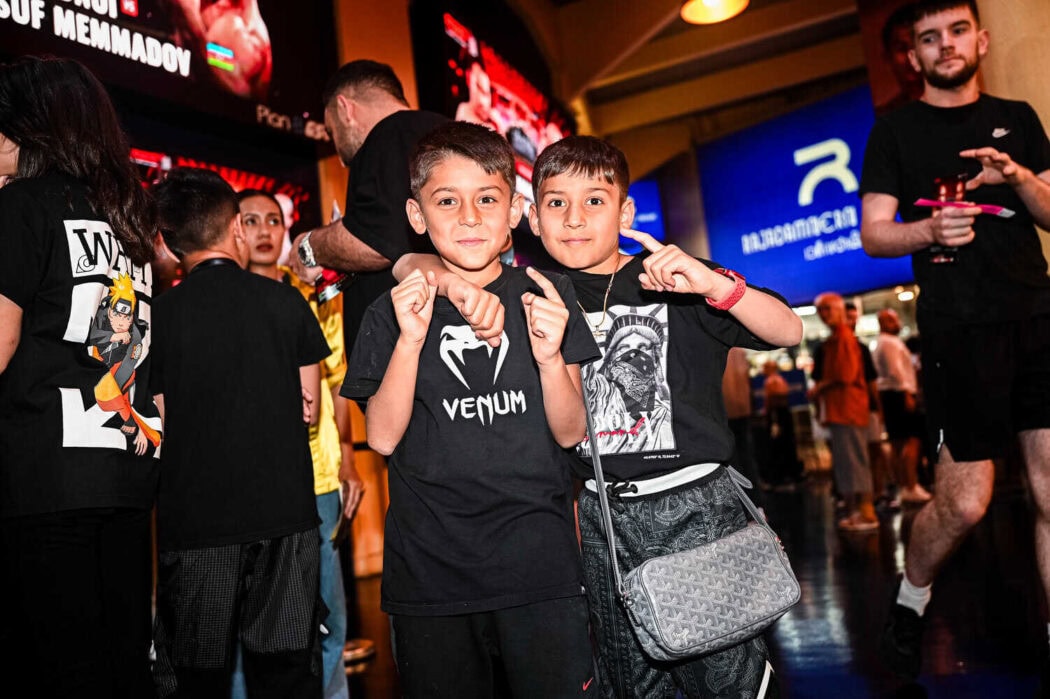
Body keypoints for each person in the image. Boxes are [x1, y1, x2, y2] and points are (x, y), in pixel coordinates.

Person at [396, 134, 803, 698]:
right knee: (630, 685)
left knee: (728, 682)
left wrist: (715, 285)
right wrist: (445, 281)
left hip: (696, 510)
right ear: (531, 219)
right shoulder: (529, 291)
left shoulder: (676, 277)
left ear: (625, 213)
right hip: (600, 517)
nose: (575, 218)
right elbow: (411, 259)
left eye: (595, 200)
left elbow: (788, 329)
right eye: (556, 203)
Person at [342, 121, 599, 697]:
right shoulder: (390, 312)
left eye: (486, 199)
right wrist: (411, 340)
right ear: (417, 216)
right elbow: (381, 437)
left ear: (514, 211)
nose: (468, 217)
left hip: (539, 563)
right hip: (431, 571)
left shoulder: (547, 293)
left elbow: (570, 431)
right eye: (446, 201)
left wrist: (550, 358)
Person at [859, 0, 1050, 680]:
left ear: (982, 39)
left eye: (958, 31)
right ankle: (911, 597)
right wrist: (928, 231)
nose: (946, 45)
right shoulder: (895, 132)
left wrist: (1018, 176)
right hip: (957, 330)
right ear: (913, 56)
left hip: (1036, 317)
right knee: (966, 502)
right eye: (929, 38)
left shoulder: (1018, 118)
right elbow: (874, 232)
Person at [0, 56, 160, 699]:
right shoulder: (128, 218)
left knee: (58, 669)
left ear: (30, 127)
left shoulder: (21, 206)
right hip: (123, 466)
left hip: (43, 474)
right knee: (122, 664)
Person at [149, 168, 331, 698]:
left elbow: (156, 423)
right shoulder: (286, 302)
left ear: (169, 244)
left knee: (195, 682)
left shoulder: (158, 317)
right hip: (284, 522)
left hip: (196, 528)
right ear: (236, 230)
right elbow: (310, 409)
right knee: (286, 678)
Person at [232, 189, 365, 699]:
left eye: (273, 219)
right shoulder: (222, 300)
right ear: (233, 230)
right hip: (247, 481)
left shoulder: (314, 295)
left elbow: (336, 379)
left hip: (318, 475)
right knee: (244, 619)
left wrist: (348, 460)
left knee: (328, 615)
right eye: (251, 220)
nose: (265, 230)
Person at [290, 59, 448, 348]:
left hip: (408, 353)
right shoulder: (449, 131)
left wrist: (309, 246)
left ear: (345, 109)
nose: (338, 153)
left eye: (331, 131)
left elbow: (378, 241)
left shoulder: (389, 133)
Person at [811, 292, 879, 532]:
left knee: (854, 461)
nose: (823, 314)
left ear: (840, 310)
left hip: (848, 408)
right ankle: (856, 512)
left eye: (827, 308)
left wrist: (820, 387)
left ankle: (866, 513)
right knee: (847, 463)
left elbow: (847, 375)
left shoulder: (843, 339)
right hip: (841, 409)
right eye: (820, 310)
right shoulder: (835, 339)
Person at [872, 309, 931, 506]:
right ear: (884, 322)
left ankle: (905, 485)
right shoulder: (889, 343)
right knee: (912, 440)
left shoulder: (884, 342)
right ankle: (911, 485)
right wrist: (907, 393)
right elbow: (895, 371)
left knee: (898, 444)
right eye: (892, 320)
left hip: (892, 395)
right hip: (898, 394)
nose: (896, 323)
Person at [875, 2, 924, 115]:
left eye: (918, 46)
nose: (912, 58)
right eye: (902, 48)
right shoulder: (884, 117)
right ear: (888, 58)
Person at [762, 359, 804, 489]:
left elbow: (771, 401)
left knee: (778, 445)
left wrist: (768, 415)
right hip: (785, 416)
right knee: (788, 443)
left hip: (777, 417)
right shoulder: (781, 380)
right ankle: (792, 474)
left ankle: (781, 476)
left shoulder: (771, 382)